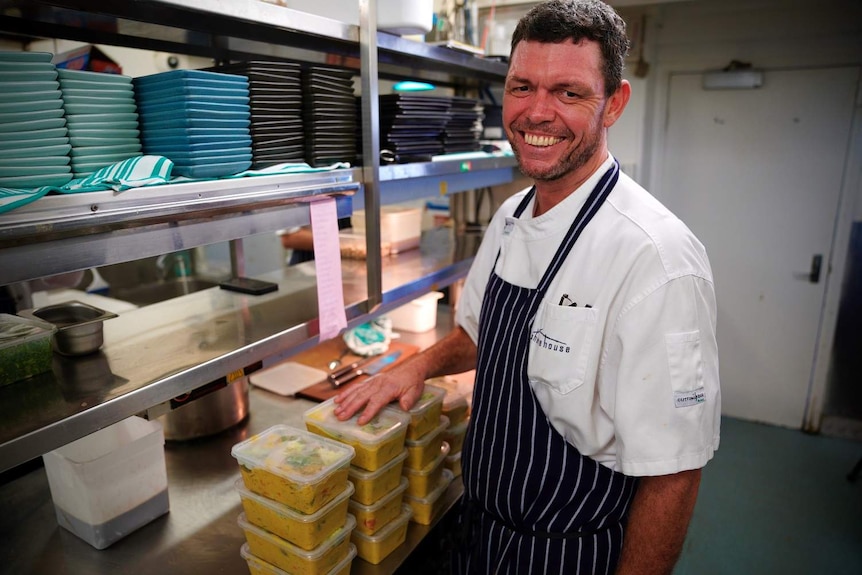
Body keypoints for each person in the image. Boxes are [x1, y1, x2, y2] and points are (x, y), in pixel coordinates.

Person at [334, 0, 720, 572]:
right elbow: (482, 334)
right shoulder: (513, 214)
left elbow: (674, 473)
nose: (536, 113)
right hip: (480, 529)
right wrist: (413, 366)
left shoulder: (656, 257)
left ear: (614, 102)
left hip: (568, 551)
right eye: (522, 87)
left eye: (569, 92)